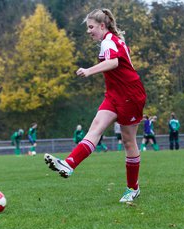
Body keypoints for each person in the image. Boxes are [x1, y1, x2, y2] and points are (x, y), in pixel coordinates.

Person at [44, 8, 146, 203]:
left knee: (128, 142)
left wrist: (89, 71)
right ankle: (69, 164)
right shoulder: (111, 41)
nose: (89, 31)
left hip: (131, 95)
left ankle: (133, 188)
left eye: (91, 27)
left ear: (102, 25)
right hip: (115, 94)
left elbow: (114, 62)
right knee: (96, 128)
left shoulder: (109, 41)